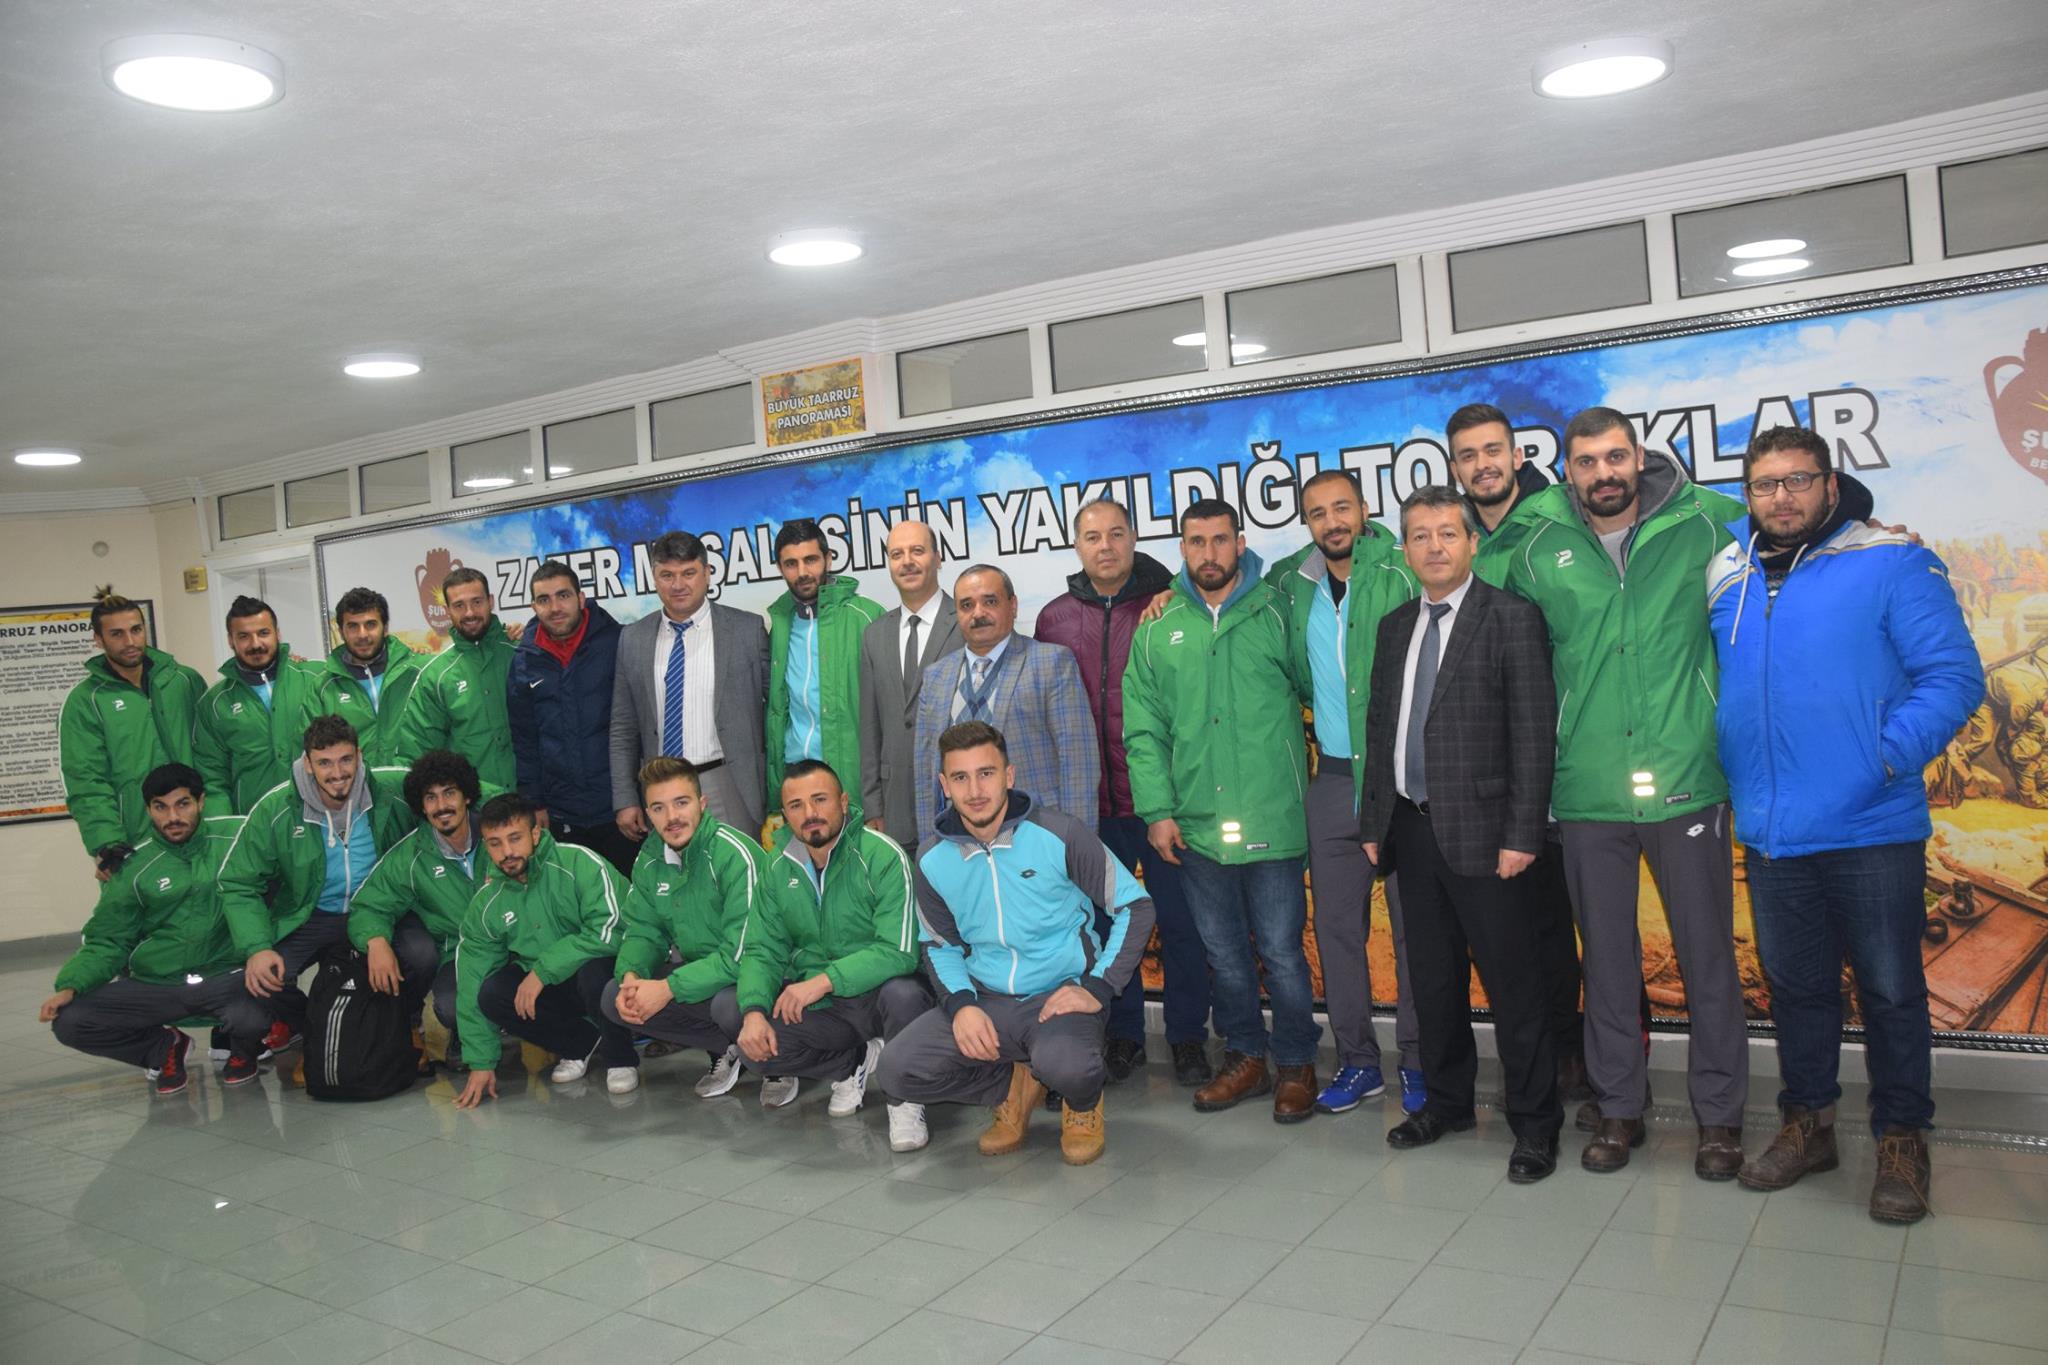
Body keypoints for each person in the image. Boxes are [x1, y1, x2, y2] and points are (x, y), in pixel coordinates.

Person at [1707, 425, 1984, 1224]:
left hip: (1871, 825)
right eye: (1765, 483)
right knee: (1796, 988)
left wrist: (1882, 757)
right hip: (1773, 830)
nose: (1781, 496)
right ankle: (1809, 1123)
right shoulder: (1725, 571)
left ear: (1831, 484)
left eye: (1798, 479)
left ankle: (1902, 1137)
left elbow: (1953, 676)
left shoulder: (1890, 560)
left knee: (1891, 989)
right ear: (1747, 494)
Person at [1476, 406, 1751, 1179]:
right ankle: (1619, 1105)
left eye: (1615, 457)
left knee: (1707, 958)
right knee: (1606, 961)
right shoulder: (1535, 545)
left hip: (1688, 778)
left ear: (1638, 456)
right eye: (1588, 461)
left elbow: (1793, 537)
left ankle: (1720, 1117)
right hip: (1588, 788)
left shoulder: (1706, 523)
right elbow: (1468, 602)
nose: (1604, 473)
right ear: (1567, 470)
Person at [1362, 486, 1563, 1183]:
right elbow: (1381, 730)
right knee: (1433, 980)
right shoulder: (1394, 627)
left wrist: (1523, 833)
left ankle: (1535, 1123)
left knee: (1515, 986)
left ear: (1473, 542)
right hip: (1411, 831)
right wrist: (1374, 822)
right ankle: (1446, 1103)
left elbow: (1533, 737)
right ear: (1405, 549)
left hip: (1491, 837)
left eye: (1448, 533)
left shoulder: (1511, 617)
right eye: (1420, 535)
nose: (1435, 547)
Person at [875, 721, 1155, 1166]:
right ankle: (1011, 1087)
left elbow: (1134, 906)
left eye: (986, 773)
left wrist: (1097, 987)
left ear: (1009, 775)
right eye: (961, 778)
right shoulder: (931, 860)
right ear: (944, 786)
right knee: (895, 1071)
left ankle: (1081, 1104)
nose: (975, 791)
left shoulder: (1060, 834)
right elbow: (940, 945)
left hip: (1059, 996)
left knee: (1070, 1067)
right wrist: (961, 1005)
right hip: (987, 999)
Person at [1123, 499, 1320, 1121]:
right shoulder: (1158, 628)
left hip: (1273, 820)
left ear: (1240, 542)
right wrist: (1157, 810)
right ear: (1182, 548)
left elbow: (1317, 690)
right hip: (1197, 827)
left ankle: (1297, 1062)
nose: (1208, 553)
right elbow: (1144, 732)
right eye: (1196, 542)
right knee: (1225, 954)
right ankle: (1245, 1058)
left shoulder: (1280, 610)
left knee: (1282, 953)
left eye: (1219, 540)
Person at [1446, 403, 1598, 1107]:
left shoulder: (1566, 518)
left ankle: (1589, 1062)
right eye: (1468, 455)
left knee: (1573, 927)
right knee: (1522, 930)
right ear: (1455, 468)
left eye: (1492, 451)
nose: (1482, 465)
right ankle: (1545, 1059)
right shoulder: (1455, 538)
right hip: (1489, 778)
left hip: (1566, 766)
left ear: (1516, 454)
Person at [1035, 498, 1212, 1086]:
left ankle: (1188, 1037)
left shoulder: (1169, 603)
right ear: (1077, 545)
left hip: (1161, 804)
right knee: (1108, 928)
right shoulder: (1054, 619)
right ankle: (1124, 1035)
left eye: (1116, 534)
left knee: (1181, 923)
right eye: (1092, 536)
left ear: (1134, 538)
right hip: (1090, 810)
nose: (1105, 546)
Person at [1267, 470, 1425, 1116]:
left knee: (1417, 932)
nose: (1332, 521)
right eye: (1317, 512)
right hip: (1332, 780)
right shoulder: (1292, 582)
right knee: (1336, 932)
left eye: (1342, 507)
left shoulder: (1403, 569)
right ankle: (1359, 1061)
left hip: (1404, 783)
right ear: (1306, 522)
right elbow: (1224, 577)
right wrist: (1170, 589)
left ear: (1364, 508)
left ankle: (1419, 1061)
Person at [720, 759, 931, 1149]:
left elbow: (900, 951)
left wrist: (824, 980)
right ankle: (852, 1064)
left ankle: (904, 1100)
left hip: (878, 995)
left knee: (906, 994)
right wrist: (753, 1012)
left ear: (844, 802)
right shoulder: (777, 868)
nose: (810, 813)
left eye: (820, 799)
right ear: (785, 815)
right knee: (754, 1046)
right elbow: (762, 950)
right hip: (827, 1007)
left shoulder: (882, 854)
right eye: (796, 805)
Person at [40, 764, 270, 1094]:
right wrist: (70, 985)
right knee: (71, 1021)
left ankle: (244, 1051)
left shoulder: (238, 839)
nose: (172, 817)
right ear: (148, 809)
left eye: (183, 804)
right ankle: (162, 1048)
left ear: (201, 802)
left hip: (227, 977)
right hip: (160, 984)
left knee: (260, 1007)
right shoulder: (134, 867)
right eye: (160, 807)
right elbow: (108, 940)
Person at [220, 714, 418, 1040]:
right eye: (325, 763)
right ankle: (312, 1025)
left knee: (421, 955)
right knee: (264, 977)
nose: (337, 773)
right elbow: (239, 883)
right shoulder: (276, 809)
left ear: (359, 755)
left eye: (345, 760)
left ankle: (407, 1022)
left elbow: (454, 786)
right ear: (308, 764)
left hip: (380, 911)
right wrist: (257, 947)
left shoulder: (390, 790)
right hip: (312, 915)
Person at [453, 794, 640, 1105]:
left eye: (515, 838)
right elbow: (472, 975)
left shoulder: (579, 862)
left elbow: (613, 931)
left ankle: (620, 1058)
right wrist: (481, 1061)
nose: (507, 852)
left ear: (535, 834)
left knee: (595, 973)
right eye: (495, 843)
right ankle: (580, 1045)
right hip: (551, 984)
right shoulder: (487, 901)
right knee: (491, 993)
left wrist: (542, 971)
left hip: (601, 971)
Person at [602, 757, 772, 1101]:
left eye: (681, 803)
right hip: (705, 976)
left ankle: (780, 1063)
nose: (672, 817)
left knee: (728, 1004)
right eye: (659, 808)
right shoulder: (649, 860)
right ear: (648, 815)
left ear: (702, 803)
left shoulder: (734, 854)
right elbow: (643, 930)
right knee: (614, 996)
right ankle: (729, 1048)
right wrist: (632, 976)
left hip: (765, 976)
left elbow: (743, 955)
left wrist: (668, 988)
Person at [912, 564, 1098, 839]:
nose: (978, 613)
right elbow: (925, 772)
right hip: (960, 840)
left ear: (1013, 606)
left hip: (1036, 835)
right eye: (966, 605)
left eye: (990, 601)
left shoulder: (1052, 664)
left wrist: (1077, 845)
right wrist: (930, 846)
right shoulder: (935, 676)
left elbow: (1079, 765)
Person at [609, 530, 769, 839]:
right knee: (674, 870)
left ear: (707, 573)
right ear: (654, 578)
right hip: (661, 791)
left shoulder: (747, 630)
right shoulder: (633, 638)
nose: (678, 585)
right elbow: (623, 726)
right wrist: (625, 798)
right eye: (667, 575)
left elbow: (775, 712)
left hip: (729, 783)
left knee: (738, 867)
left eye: (688, 573)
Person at [346, 749, 487, 1070]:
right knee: (450, 1007)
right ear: (421, 807)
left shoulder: (497, 836)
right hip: (460, 955)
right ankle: (465, 1032)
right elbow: (368, 904)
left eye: (449, 793)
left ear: (467, 796)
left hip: (514, 948)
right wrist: (375, 940)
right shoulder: (410, 855)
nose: (442, 806)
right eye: (431, 798)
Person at [60, 591, 207, 875]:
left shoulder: (184, 681)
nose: (130, 641)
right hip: (135, 842)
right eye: (117, 634)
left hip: (199, 834)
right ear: (98, 639)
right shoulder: (85, 701)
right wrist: (107, 843)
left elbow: (213, 755)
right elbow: (85, 781)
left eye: (136, 630)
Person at [507, 560, 632, 871]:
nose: (555, 607)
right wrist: (534, 803)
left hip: (620, 809)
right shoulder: (524, 661)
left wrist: (632, 798)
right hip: (562, 814)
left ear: (581, 598)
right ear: (533, 606)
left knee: (630, 894)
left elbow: (636, 726)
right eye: (544, 599)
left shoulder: (618, 643)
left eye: (563, 596)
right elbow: (525, 740)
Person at [765, 517, 883, 810]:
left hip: (849, 780)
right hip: (795, 779)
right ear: (780, 568)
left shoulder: (867, 617)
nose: (802, 572)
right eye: (791, 564)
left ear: (828, 559)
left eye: (811, 560)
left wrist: (877, 796)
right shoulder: (779, 624)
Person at [859, 519, 961, 847]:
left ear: (938, 558)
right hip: (895, 806)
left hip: (959, 800)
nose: (907, 562)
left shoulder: (965, 623)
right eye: (896, 554)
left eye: (917, 551)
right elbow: (870, 726)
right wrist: (873, 804)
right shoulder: (874, 635)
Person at [194, 595, 324, 815]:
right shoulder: (215, 703)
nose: (255, 644)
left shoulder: (316, 678)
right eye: (244, 636)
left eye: (263, 633)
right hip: (256, 821)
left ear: (278, 634)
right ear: (230, 640)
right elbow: (212, 777)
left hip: (320, 814)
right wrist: (226, 827)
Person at [395, 567, 516, 788]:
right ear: (447, 611)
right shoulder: (436, 676)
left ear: (490, 601)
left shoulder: (520, 653)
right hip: (475, 803)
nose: (469, 613)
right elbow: (418, 751)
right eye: (459, 605)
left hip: (532, 798)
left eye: (477, 602)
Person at [315, 587, 424, 766]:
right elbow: (312, 752)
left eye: (371, 624)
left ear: (385, 628)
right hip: (355, 784)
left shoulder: (418, 672)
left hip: (416, 780)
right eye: (353, 626)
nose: (362, 634)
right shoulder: (323, 687)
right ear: (341, 632)